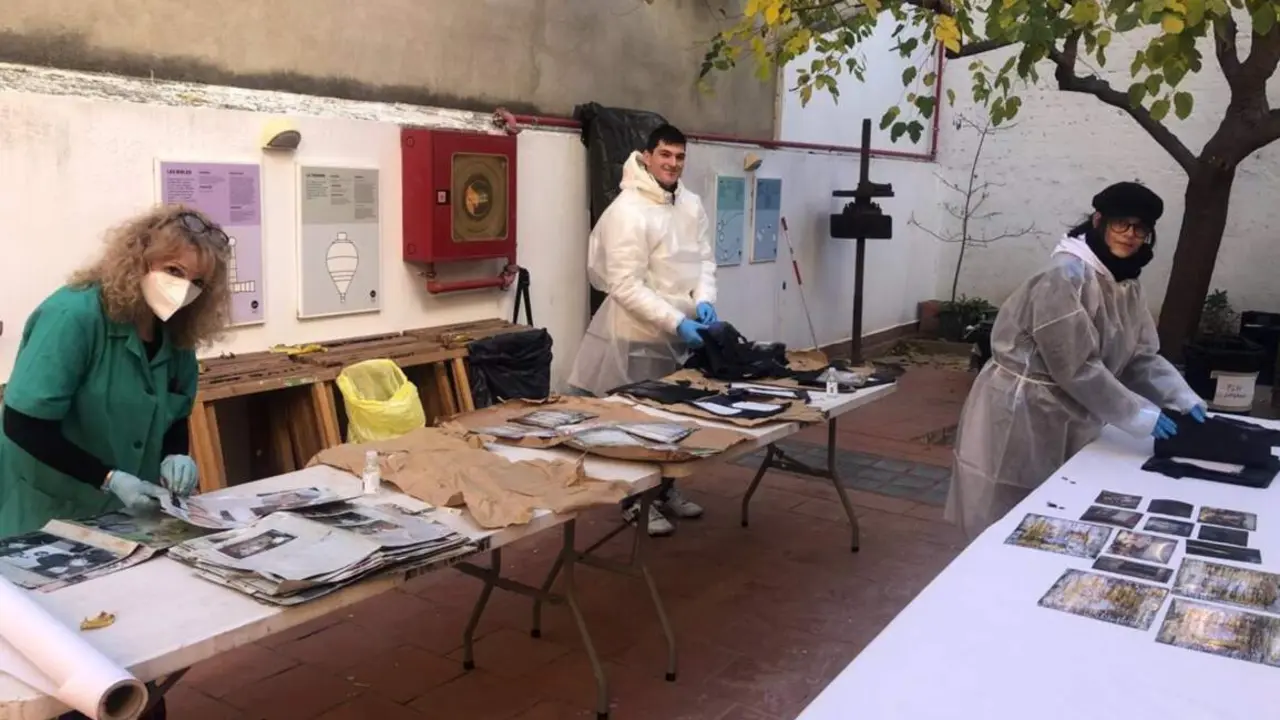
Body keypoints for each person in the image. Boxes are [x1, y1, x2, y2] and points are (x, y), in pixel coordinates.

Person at [945, 181, 1207, 540]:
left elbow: (1138, 355)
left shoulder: (1123, 281)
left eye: (1141, 229)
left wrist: (1180, 395)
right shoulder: (1064, 276)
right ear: (1099, 221)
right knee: (1008, 507)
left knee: (1058, 510)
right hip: (1023, 409)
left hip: (1071, 408)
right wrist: (1139, 414)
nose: (1131, 235)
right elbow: (1075, 366)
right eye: (1122, 224)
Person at [0, 204, 232, 553]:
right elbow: (22, 424)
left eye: (197, 282)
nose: (183, 289)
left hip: (125, 515)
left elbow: (173, 412)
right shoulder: (72, 316)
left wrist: (175, 456)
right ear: (139, 259)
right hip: (48, 508)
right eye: (173, 270)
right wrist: (109, 478)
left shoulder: (177, 332)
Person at [566, 124, 718, 537]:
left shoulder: (690, 204)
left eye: (680, 156)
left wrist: (704, 299)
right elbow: (625, 285)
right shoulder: (628, 210)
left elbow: (704, 260)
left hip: (677, 335)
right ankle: (635, 502)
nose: (673, 163)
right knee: (636, 423)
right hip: (633, 335)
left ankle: (666, 490)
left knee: (674, 417)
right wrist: (676, 321)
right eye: (665, 154)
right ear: (647, 156)